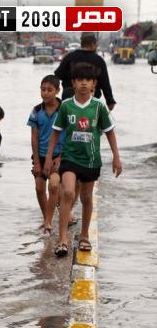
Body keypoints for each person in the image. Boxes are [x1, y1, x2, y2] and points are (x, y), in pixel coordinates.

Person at [44, 63, 122, 257]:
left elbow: (110, 132)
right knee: (68, 192)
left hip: (91, 160)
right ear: (74, 83)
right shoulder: (66, 106)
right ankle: (62, 239)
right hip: (69, 158)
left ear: (94, 84)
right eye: (80, 80)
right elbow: (55, 133)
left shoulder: (99, 107)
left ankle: (84, 235)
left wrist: (116, 157)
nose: (84, 84)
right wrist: (48, 157)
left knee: (86, 198)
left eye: (88, 80)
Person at [27, 75, 63, 235]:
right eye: (43, 89)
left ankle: (49, 220)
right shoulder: (36, 111)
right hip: (40, 156)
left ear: (57, 91)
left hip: (58, 156)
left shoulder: (64, 109)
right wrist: (36, 162)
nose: (46, 93)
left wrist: (61, 157)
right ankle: (46, 218)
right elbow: (34, 138)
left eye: (50, 90)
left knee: (54, 185)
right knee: (39, 188)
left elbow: (69, 135)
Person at [55, 33, 116, 110]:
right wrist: (110, 101)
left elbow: (57, 75)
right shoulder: (99, 61)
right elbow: (105, 83)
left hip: (69, 101)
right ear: (93, 44)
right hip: (91, 102)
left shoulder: (69, 57)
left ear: (82, 43)